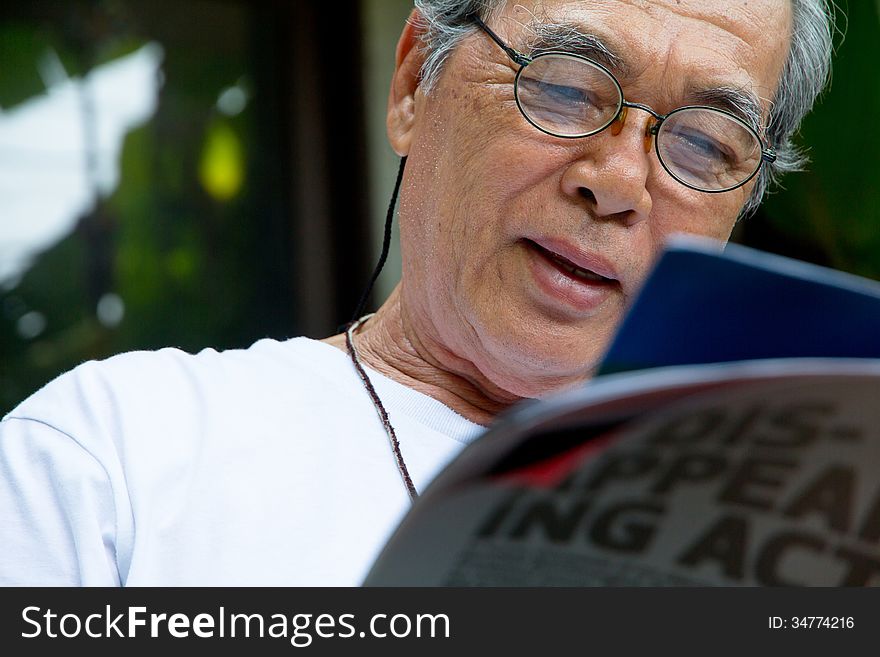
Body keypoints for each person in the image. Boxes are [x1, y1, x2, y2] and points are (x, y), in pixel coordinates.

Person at [0, 0, 835, 585]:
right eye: (568, 86)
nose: (617, 182)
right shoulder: (108, 458)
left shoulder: (800, 537)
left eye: (702, 142)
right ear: (411, 86)